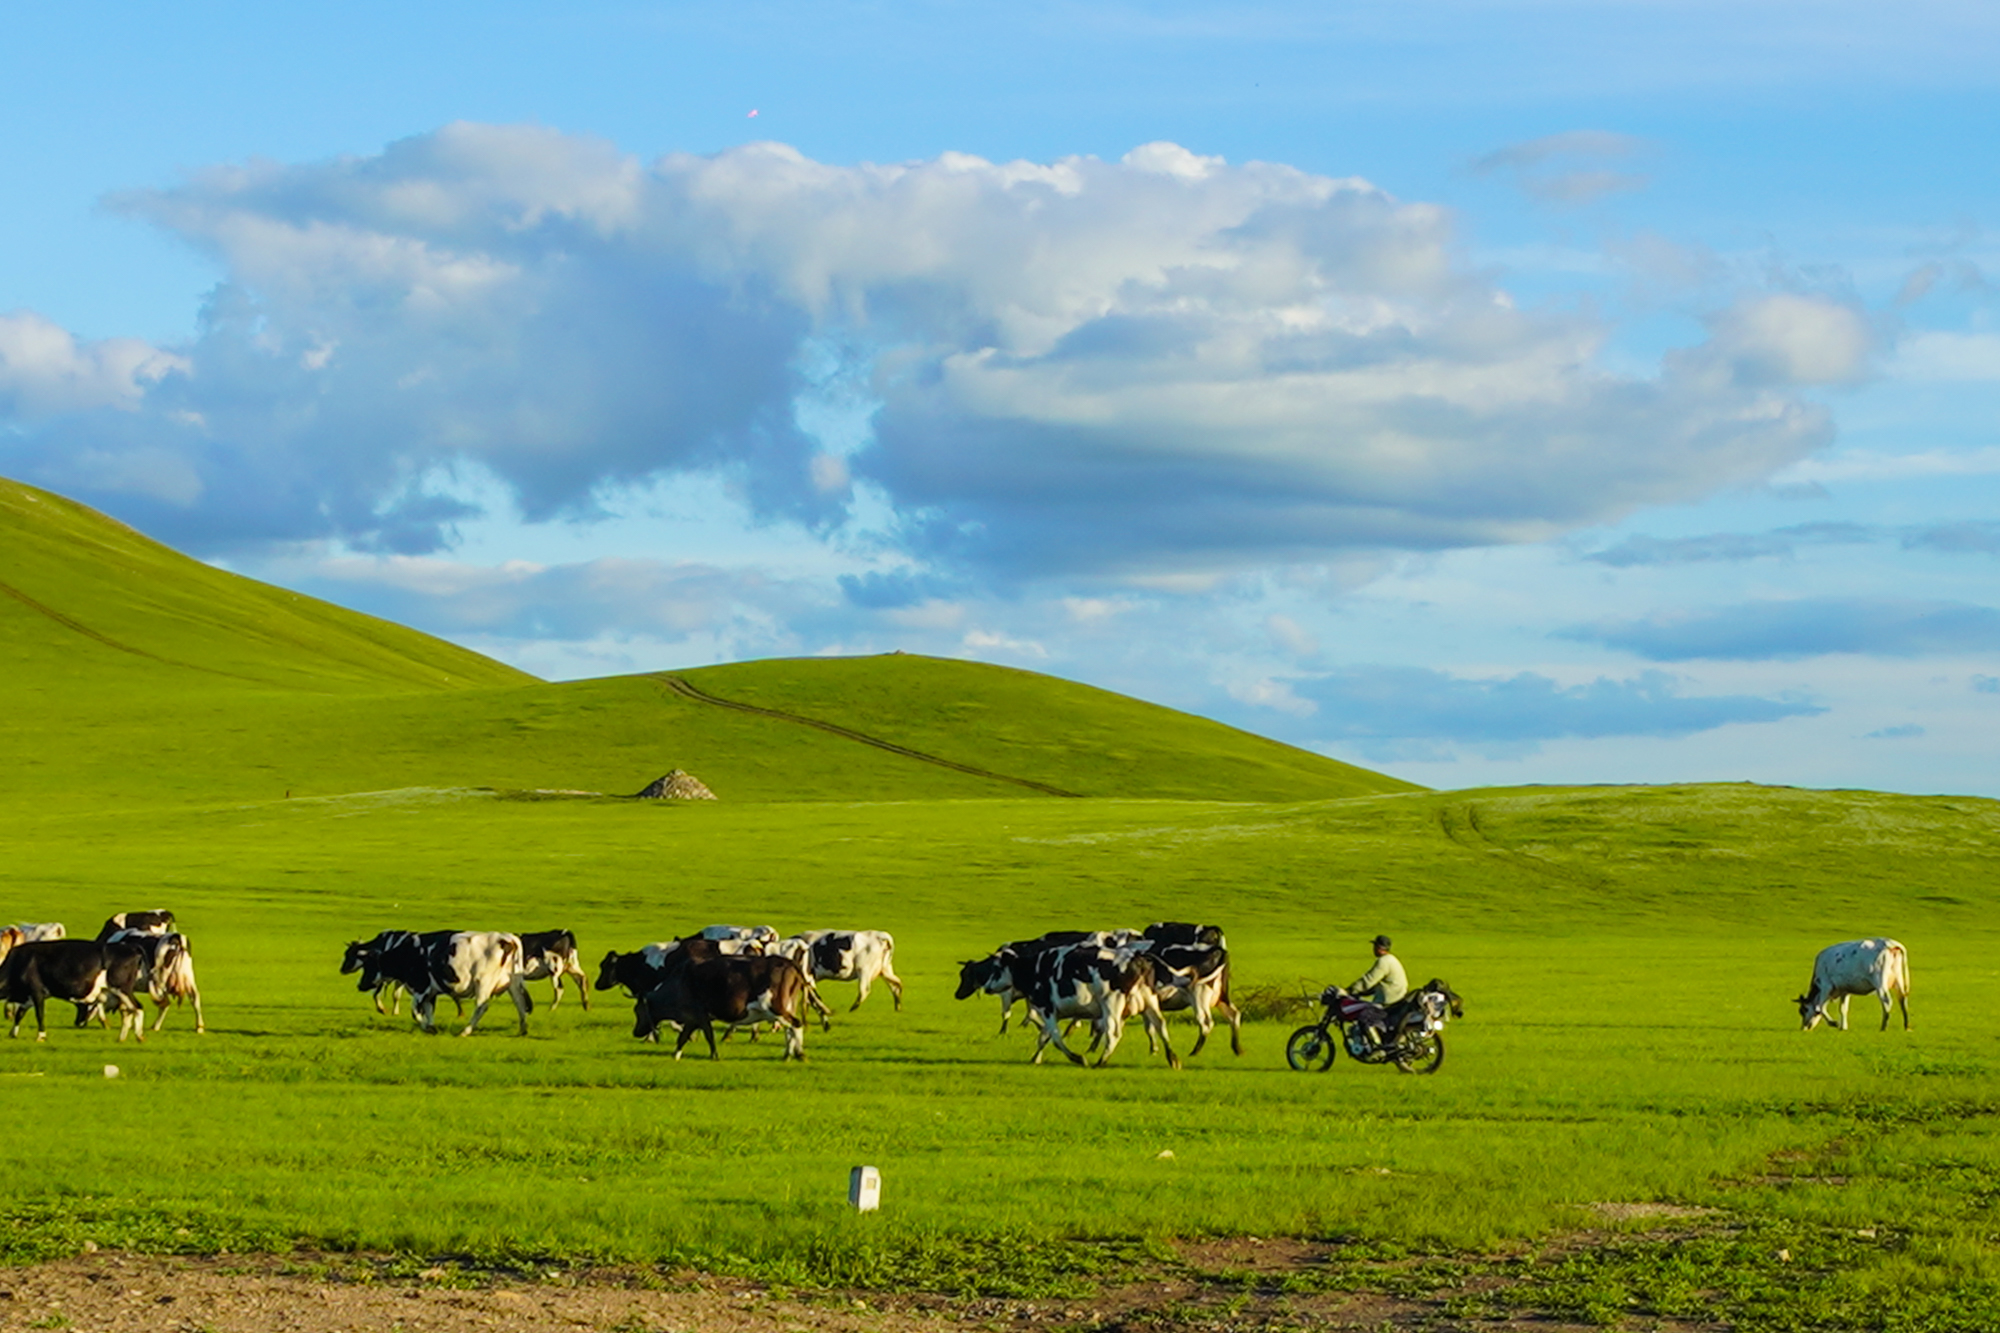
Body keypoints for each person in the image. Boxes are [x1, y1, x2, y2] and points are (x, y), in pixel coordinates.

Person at [1348, 934, 1407, 1048]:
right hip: (1397, 997)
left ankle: (1377, 1046)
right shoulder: (1392, 959)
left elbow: (1368, 980)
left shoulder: (1383, 962)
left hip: (1389, 1001)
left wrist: (1352, 989)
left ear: (1379, 948)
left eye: (1375, 946)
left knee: (1364, 1017)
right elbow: (1377, 985)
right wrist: (1364, 992)